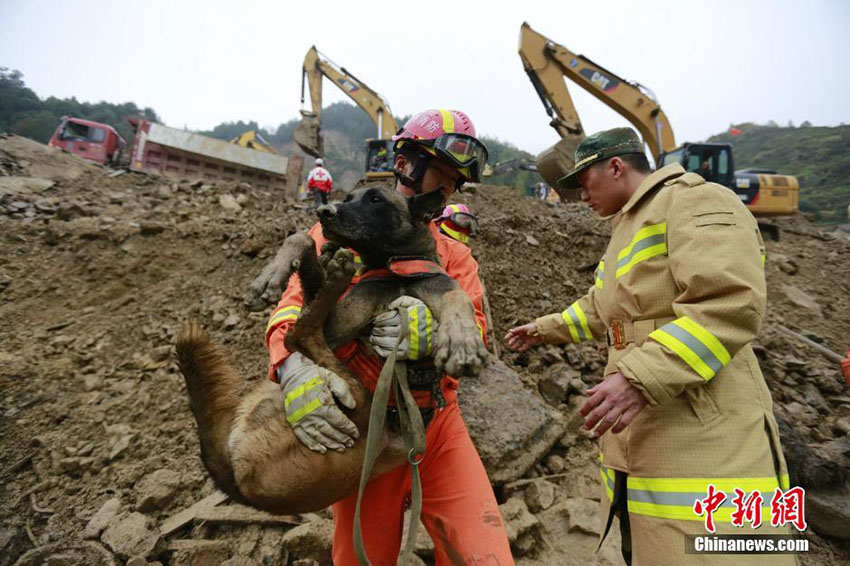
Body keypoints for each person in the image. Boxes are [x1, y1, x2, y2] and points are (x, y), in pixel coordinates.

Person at [505, 128, 795, 565]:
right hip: (650, 434)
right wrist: (544, 329)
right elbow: (605, 307)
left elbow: (728, 303)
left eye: (584, 183)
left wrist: (640, 377)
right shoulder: (627, 227)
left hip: (704, 427)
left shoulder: (695, 200)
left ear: (617, 167)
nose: (581, 197)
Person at [266, 109, 513, 565]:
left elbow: (475, 329)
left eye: (455, 184)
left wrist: (435, 332)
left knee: (485, 556)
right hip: (367, 428)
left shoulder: (453, 254)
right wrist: (293, 369)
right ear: (407, 164)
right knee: (362, 558)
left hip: (437, 427)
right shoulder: (337, 228)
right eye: (442, 174)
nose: (447, 191)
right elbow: (294, 307)